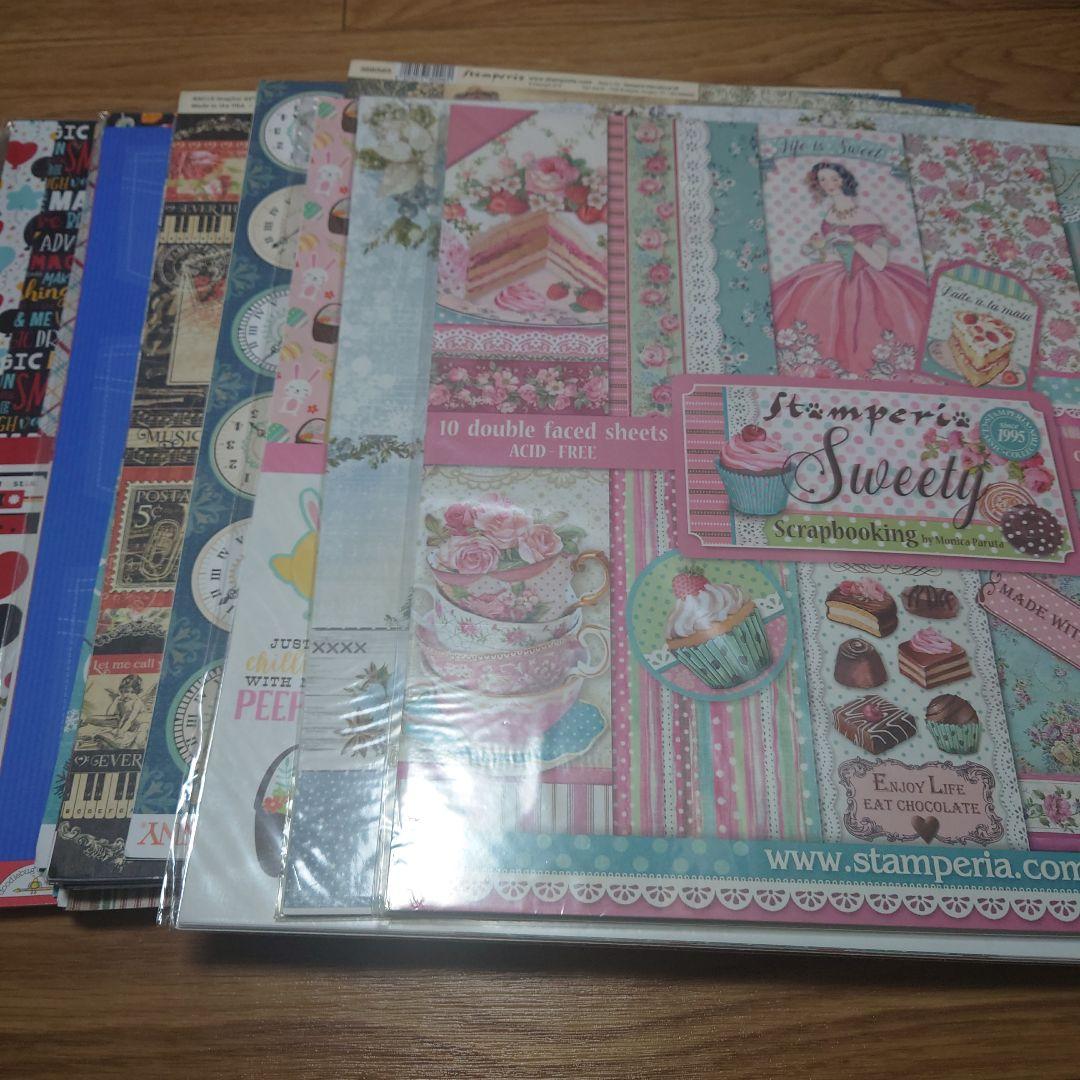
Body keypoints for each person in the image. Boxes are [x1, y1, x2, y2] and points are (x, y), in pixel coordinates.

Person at [772, 161, 929, 376]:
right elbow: (829, 256)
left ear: (844, 180)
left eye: (833, 178)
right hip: (832, 275)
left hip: (867, 277)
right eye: (823, 180)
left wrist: (854, 242)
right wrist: (817, 247)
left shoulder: (867, 217)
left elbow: (879, 263)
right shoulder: (830, 215)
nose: (828, 184)